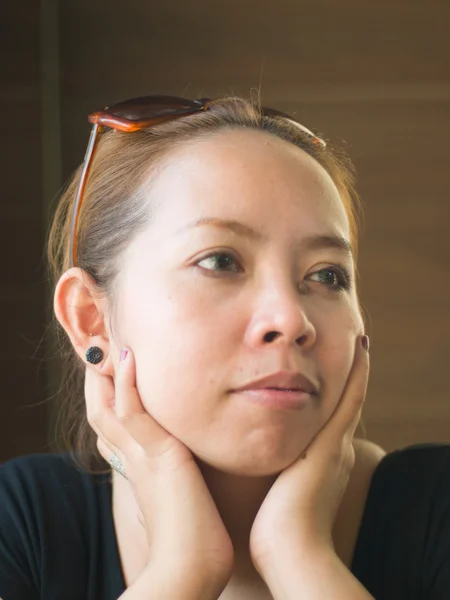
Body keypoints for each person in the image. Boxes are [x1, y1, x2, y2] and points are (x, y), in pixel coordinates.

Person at [1, 94, 449, 600]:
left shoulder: (437, 509)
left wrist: (298, 556)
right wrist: (183, 568)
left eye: (326, 275)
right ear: (91, 319)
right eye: (219, 262)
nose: (290, 319)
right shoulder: (20, 525)